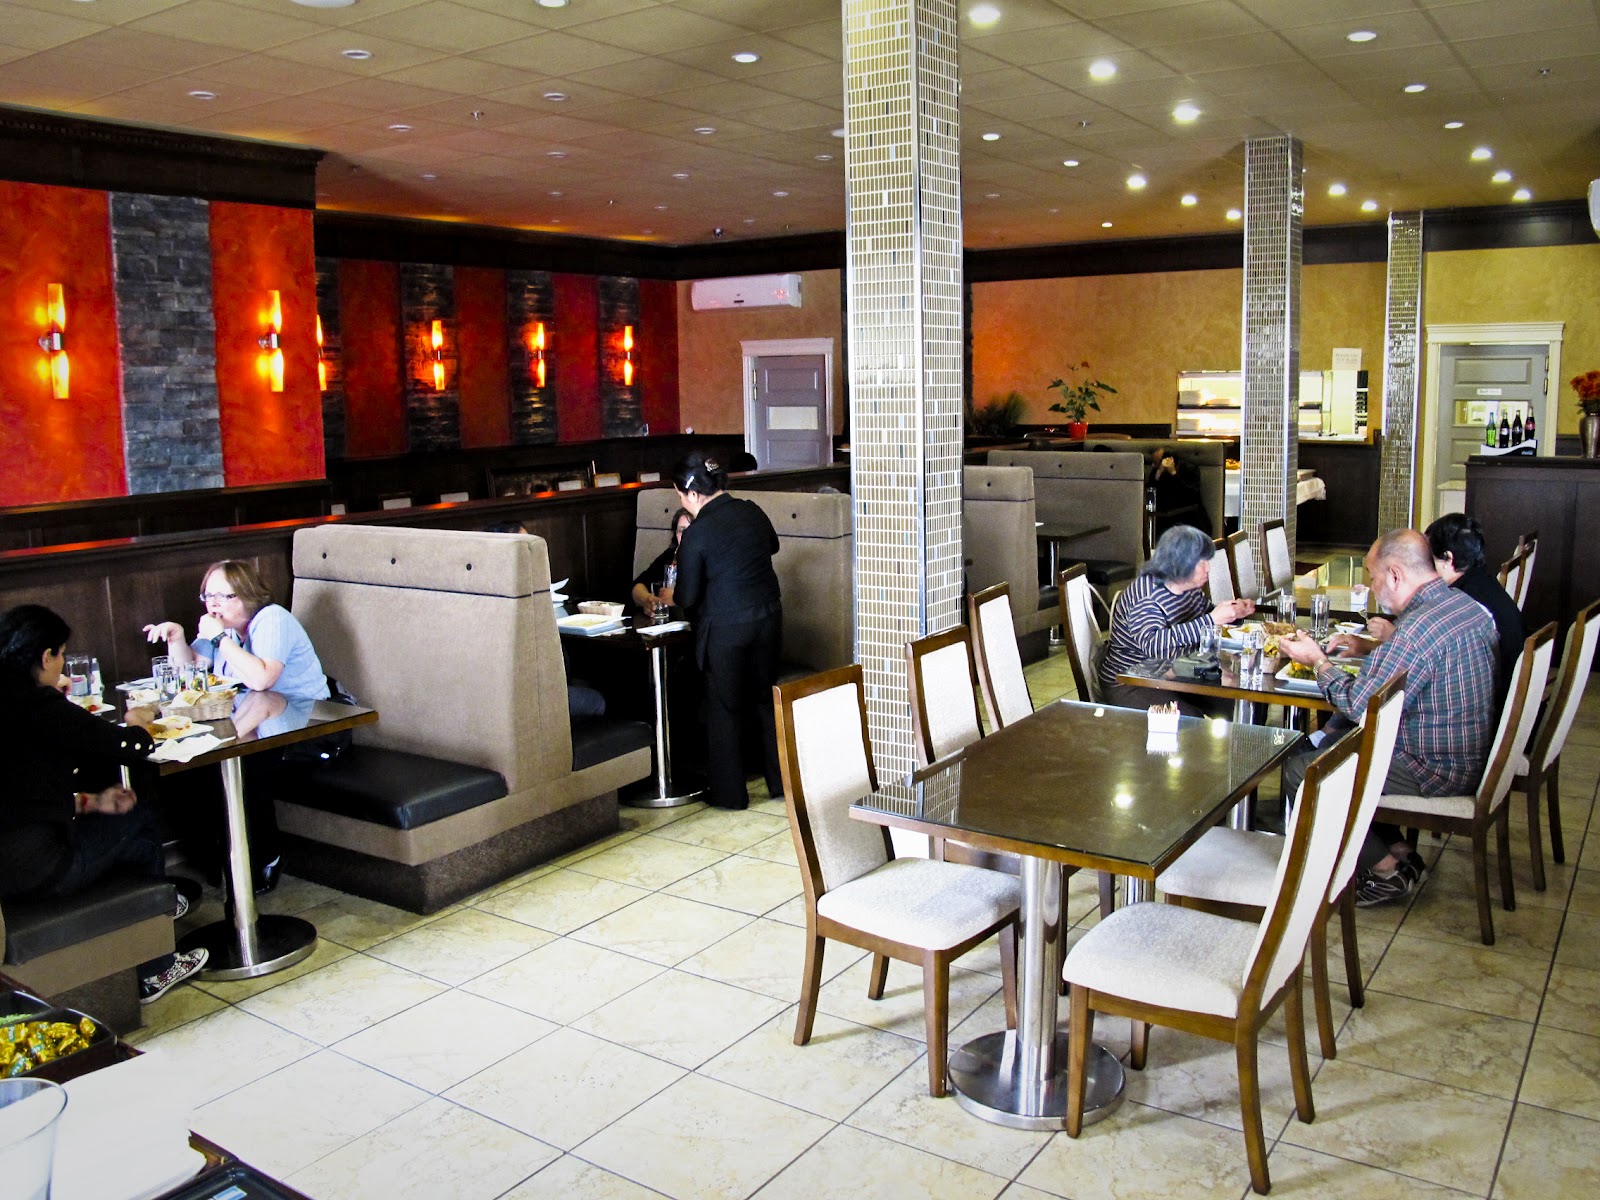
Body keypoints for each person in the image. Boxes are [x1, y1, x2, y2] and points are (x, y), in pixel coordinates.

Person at [0, 604, 208, 1004]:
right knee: (141, 817)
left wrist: (92, 801)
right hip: (38, 871)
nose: (62, 666)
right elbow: (129, 746)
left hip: (7, 869)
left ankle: (161, 908)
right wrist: (139, 720)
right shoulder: (38, 705)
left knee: (130, 836)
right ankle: (156, 967)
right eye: (61, 655)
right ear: (45, 656)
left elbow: (23, 793)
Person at [1280, 529, 1498, 905]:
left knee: (1304, 773)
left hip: (1433, 768)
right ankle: (1399, 852)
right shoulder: (1463, 605)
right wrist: (1371, 648)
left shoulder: (1416, 630)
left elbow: (1359, 707)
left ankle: (1384, 871)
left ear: (1395, 575)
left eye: (1373, 575)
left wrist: (1317, 662)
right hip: (1469, 753)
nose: (1372, 585)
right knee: (1340, 747)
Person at [144, 560, 329, 891]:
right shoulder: (223, 629)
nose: (214, 604)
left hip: (309, 725)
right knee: (192, 768)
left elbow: (261, 680)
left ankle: (266, 856)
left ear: (248, 594)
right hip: (255, 720)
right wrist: (177, 639)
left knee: (246, 765)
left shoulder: (272, 619)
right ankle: (222, 861)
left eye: (224, 596)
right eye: (208, 596)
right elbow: (191, 677)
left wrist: (219, 639)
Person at [670, 451, 783, 810]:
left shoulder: (697, 533)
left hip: (726, 628)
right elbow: (773, 545)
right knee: (765, 701)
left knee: (724, 708)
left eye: (680, 495)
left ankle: (730, 795)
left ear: (692, 493)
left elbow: (687, 596)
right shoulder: (751, 511)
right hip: (768, 618)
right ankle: (780, 783)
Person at [1099, 525, 1255, 711]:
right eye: (1202, 562)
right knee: (1189, 719)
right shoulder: (1147, 596)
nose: (1208, 568)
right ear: (1181, 563)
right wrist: (1212, 620)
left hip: (1177, 671)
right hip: (1131, 682)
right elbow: (1153, 644)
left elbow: (1205, 616)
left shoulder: (1189, 587)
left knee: (1241, 702)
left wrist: (1233, 614)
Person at [633, 507, 692, 617]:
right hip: (667, 620)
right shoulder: (671, 554)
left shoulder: (711, 558)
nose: (686, 535)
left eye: (691, 530)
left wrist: (675, 598)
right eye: (681, 530)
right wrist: (648, 600)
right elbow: (638, 585)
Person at [1145, 446, 1210, 538]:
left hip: (1188, 516)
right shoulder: (1157, 470)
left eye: (1155, 463)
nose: (1152, 465)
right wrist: (1158, 474)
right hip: (1165, 517)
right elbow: (1150, 493)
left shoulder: (1190, 469)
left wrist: (1173, 474)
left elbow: (1191, 496)